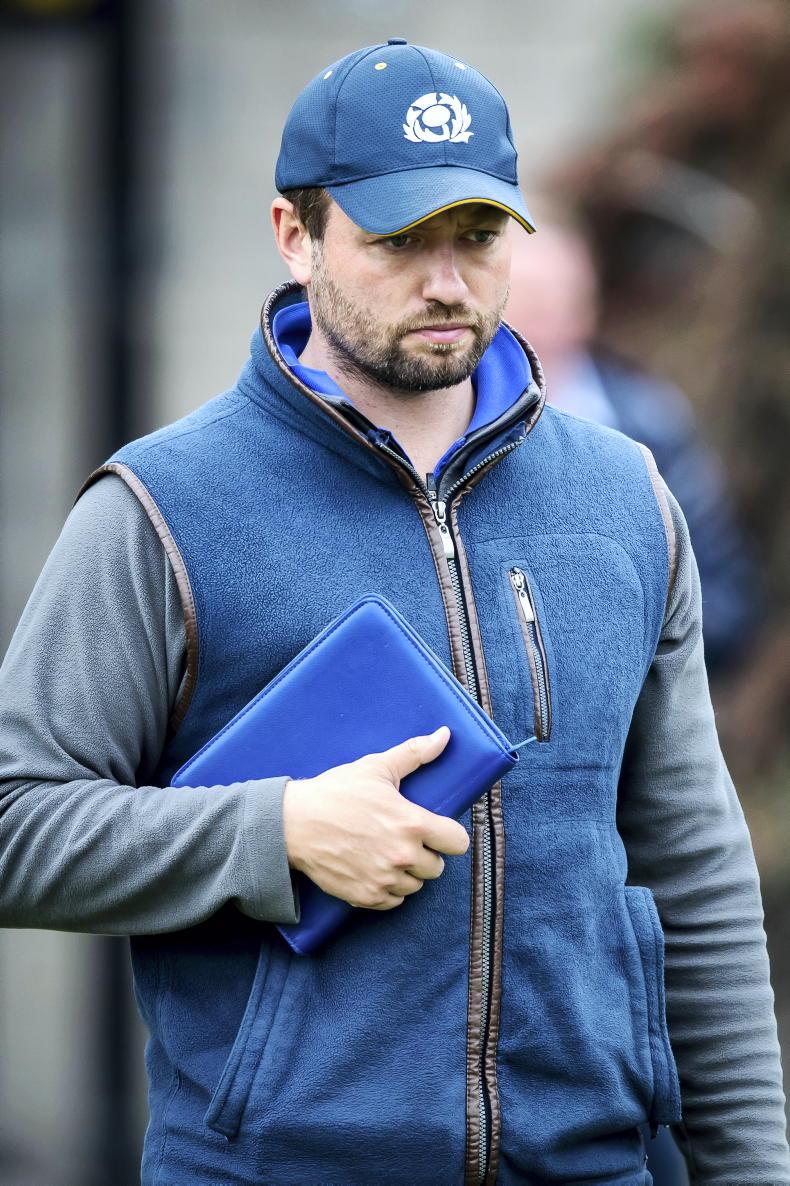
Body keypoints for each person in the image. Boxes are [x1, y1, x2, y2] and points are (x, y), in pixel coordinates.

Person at [0, 40, 788, 1186]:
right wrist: (273, 833)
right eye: (398, 240)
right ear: (295, 234)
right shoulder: (163, 509)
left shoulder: (624, 497)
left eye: (476, 236)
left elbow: (694, 875)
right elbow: (15, 822)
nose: (447, 281)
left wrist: (751, 1169)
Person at [505, 215, 760, 679]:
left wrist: (626, 661)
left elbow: (722, 596)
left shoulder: (650, 419)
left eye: (561, 294)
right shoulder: (450, 428)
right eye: (527, 294)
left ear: (589, 302)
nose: (546, 311)